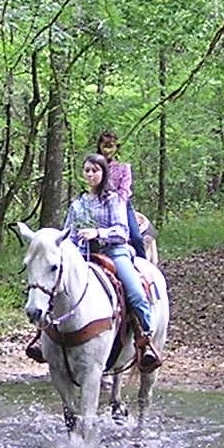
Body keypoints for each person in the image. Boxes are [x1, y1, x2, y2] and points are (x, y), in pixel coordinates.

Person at [64, 152, 162, 372]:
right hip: (82, 254)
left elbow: (122, 231)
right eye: (87, 170)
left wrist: (97, 233)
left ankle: (145, 339)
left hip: (114, 252)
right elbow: (68, 232)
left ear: (103, 173)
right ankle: (44, 336)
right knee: (55, 287)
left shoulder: (114, 200)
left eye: (95, 170)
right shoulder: (78, 204)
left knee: (135, 292)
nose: (90, 174)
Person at [96, 128, 147, 260]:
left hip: (121, 205)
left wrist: (114, 200)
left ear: (116, 148)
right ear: (100, 146)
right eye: (104, 146)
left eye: (110, 146)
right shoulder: (95, 166)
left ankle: (143, 264)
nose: (107, 150)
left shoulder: (123, 166)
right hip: (98, 204)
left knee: (136, 237)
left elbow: (124, 190)